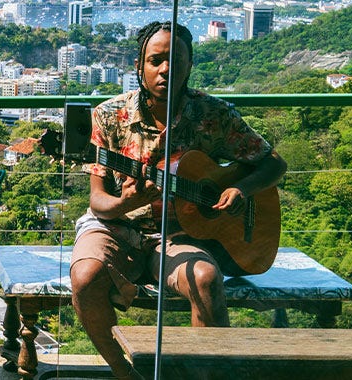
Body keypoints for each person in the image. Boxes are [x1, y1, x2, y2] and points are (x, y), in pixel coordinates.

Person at [68, 21, 287, 380]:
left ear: (190, 66)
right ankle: (126, 373)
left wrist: (240, 190)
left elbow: (274, 163)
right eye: (156, 60)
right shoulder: (108, 116)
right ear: (140, 67)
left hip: (180, 234)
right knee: (85, 275)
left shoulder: (213, 115)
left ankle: (203, 375)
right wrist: (124, 203)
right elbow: (98, 203)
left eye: (176, 60)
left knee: (205, 278)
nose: (166, 69)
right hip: (116, 226)